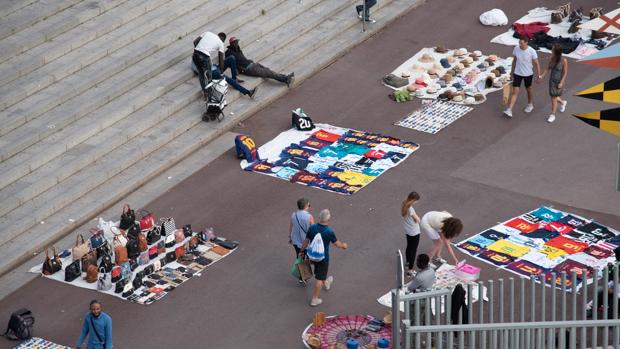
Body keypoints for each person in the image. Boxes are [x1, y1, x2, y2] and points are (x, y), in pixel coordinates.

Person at [300, 209, 348, 307]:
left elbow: (306, 241)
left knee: (320, 273)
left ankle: (326, 282)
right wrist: (344, 245)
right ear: (328, 219)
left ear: (319, 217)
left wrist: (302, 250)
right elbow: (337, 244)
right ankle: (315, 299)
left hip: (312, 255)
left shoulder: (312, 228)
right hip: (323, 258)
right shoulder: (329, 231)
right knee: (319, 278)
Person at [193, 31, 256, 99]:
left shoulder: (207, 36)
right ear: (222, 40)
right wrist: (222, 73)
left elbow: (195, 42)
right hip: (213, 72)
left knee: (231, 58)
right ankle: (247, 92)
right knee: (227, 79)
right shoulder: (219, 43)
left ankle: (234, 78)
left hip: (213, 66)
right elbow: (220, 60)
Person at [225, 37, 295, 87]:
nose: (237, 43)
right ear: (233, 43)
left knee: (268, 70)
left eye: (237, 42)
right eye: (236, 42)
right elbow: (232, 64)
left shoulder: (238, 50)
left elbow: (243, 59)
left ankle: (285, 77)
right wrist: (238, 71)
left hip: (252, 64)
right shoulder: (229, 52)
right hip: (249, 69)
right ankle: (286, 79)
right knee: (268, 73)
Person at [504, 35, 541, 118]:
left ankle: (530, 104)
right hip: (517, 73)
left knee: (528, 90)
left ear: (526, 43)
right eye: (519, 43)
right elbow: (514, 61)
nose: (520, 45)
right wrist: (511, 72)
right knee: (514, 92)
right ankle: (509, 109)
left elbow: (537, 63)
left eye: (521, 43)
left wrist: (539, 76)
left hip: (528, 74)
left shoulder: (531, 51)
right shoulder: (516, 48)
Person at [539, 44, 568, 123]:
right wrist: (541, 76)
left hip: (559, 81)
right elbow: (547, 68)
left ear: (556, 52)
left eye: (552, 50)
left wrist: (561, 83)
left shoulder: (564, 60)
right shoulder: (552, 59)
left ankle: (552, 114)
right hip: (552, 81)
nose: (551, 51)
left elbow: (565, 72)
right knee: (553, 96)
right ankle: (562, 102)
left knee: (553, 98)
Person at [289, 198, 314, 285]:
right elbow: (313, 230)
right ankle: (303, 277)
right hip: (305, 242)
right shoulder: (309, 217)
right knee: (306, 258)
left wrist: (290, 237)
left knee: (300, 257)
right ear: (305, 206)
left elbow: (291, 227)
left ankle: (302, 277)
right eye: (309, 205)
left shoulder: (294, 215)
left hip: (296, 241)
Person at [401, 192, 421, 277]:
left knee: (409, 247)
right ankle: (410, 269)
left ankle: (407, 262)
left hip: (408, 230)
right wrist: (418, 217)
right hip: (414, 231)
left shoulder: (404, 204)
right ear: (413, 200)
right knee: (413, 250)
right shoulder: (411, 209)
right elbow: (418, 220)